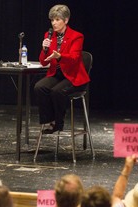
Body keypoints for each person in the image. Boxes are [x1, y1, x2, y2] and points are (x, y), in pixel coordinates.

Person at [34, 4, 90, 134]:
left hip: (73, 75)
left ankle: (58, 123)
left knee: (57, 92)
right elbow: (43, 62)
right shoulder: (49, 35)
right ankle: (49, 121)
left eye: (57, 20)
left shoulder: (76, 36)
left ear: (66, 20)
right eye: (52, 20)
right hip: (57, 73)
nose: (54, 23)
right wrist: (44, 49)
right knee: (39, 87)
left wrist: (59, 57)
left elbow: (75, 58)